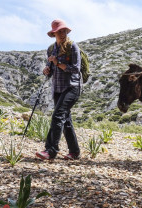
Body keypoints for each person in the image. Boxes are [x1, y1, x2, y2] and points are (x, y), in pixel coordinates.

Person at [36, 19, 82, 160]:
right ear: (54, 33)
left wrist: (59, 63)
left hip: (72, 87)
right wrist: (47, 70)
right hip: (57, 89)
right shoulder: (51, 49)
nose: (62, 33)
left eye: (64, 31)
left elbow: (75, 69)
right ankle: (74, 152)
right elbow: (50, 72)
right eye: (59, 31)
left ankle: (51, 150)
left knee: (57, 116)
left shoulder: (72, 47)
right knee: (65, 120)